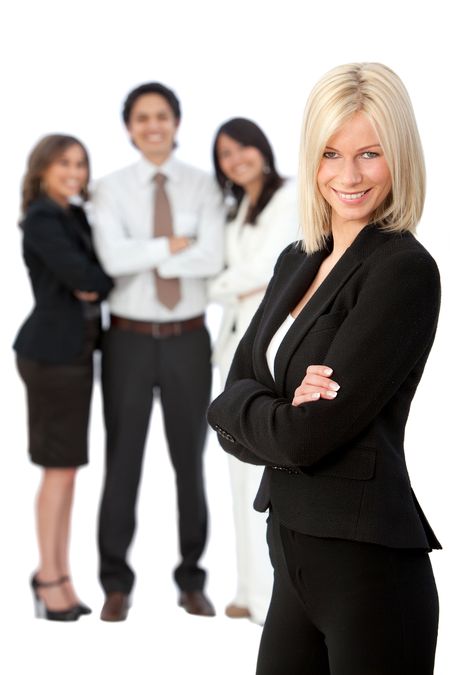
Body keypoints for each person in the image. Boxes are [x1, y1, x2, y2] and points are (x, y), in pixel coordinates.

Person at [208, 62, 441, 674]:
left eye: (371, 153)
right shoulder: (296, 260)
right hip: (291, 556)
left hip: (369, 573)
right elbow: (225, 404)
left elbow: (307, 436)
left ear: (401, 157)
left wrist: (259, 406)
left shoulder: (402, 271)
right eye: (331, 153)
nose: (349, 175)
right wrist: (271, 405)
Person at [92, 82, 224, 621]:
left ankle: (191, 579)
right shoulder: (108, 189)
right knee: (122, 462)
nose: (153, 125)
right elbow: (111, 259)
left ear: (176, 122)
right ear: (128, 127)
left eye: (162, 116)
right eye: (142, 117)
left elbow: (212, 257)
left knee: (190, 462)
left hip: (188, 339)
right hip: (125, 338)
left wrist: (146, 253)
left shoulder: (204, 187)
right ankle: (115, 583)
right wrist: (172, 247)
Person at [14, 134, 113, 621]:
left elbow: (92, 274)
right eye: (64, 164)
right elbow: (89, 275)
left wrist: (93, 281)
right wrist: (95, 281)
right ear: (42, 169)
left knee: (67, 470)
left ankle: (59, 572)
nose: (75, 172)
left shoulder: (72, 213)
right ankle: (49, 576)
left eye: (80, 163)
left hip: (73, 355)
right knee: (58, 470)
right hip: (51, 357)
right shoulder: (42, 218)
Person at [209, 117, 299, 624]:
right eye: (224, 153)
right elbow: (244, 278)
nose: (236, 158)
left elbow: (269, 269)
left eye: (243, 147)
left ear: (261, 148)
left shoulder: (288, 199)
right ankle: (248, 588)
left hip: (270, 349)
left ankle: (271, 600)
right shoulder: (238, 208)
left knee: (265, 470)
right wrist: (233, 285)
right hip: (234, 349)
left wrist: (212, 284)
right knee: (237, 467)